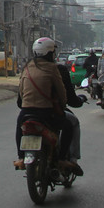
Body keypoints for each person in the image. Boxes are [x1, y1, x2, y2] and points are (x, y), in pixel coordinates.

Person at [14, 37, 79, 175]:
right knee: (69, 125)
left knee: (20, 126)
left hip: (25, 112)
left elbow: (21, 92)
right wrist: (62, 105)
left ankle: (20, 157)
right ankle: (61, 159)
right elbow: (62, 92)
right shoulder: (53, 68)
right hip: (47, 113)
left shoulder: (27, 67)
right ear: (50, 53)